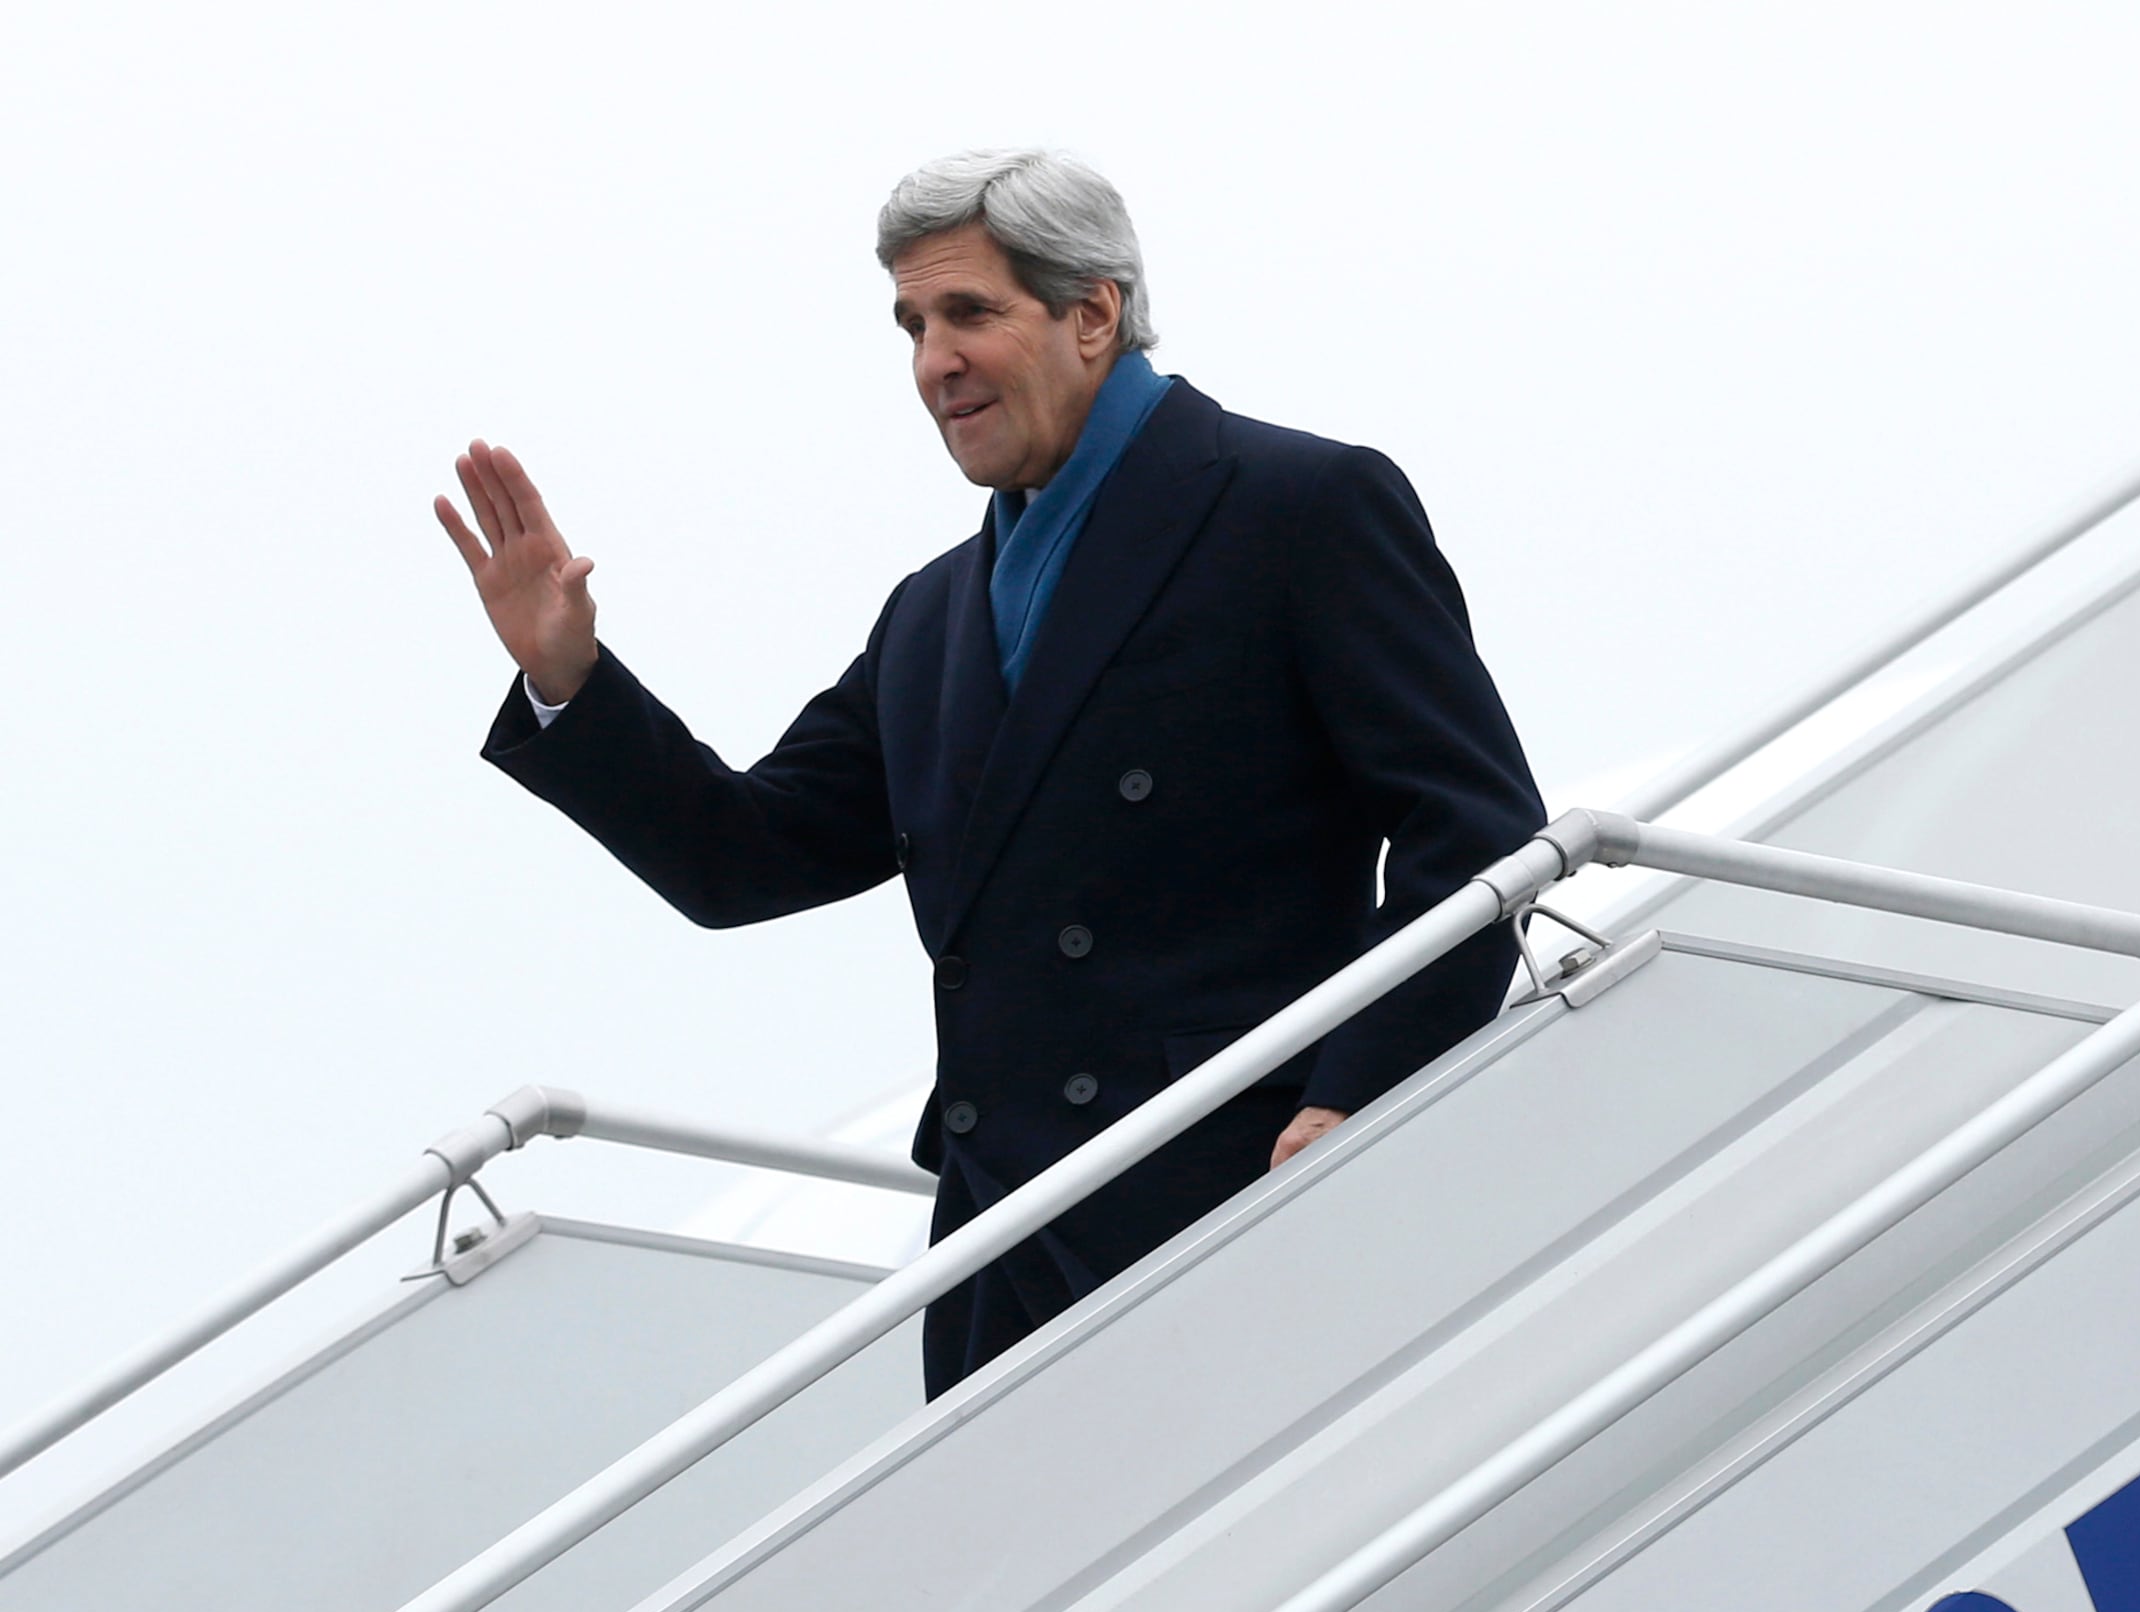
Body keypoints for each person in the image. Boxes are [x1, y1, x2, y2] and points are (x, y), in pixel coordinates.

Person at [438, 149, 1549, 1397]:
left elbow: (1477, 828)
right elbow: (743, 857)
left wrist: (1359, 1097)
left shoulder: (1298, 505)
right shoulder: (931, 618)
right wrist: (572, 687)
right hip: (999, 1252)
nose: (932, 363)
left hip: (1241, 1195)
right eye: (912, 325)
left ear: (1093, 313)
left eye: (969, 313)